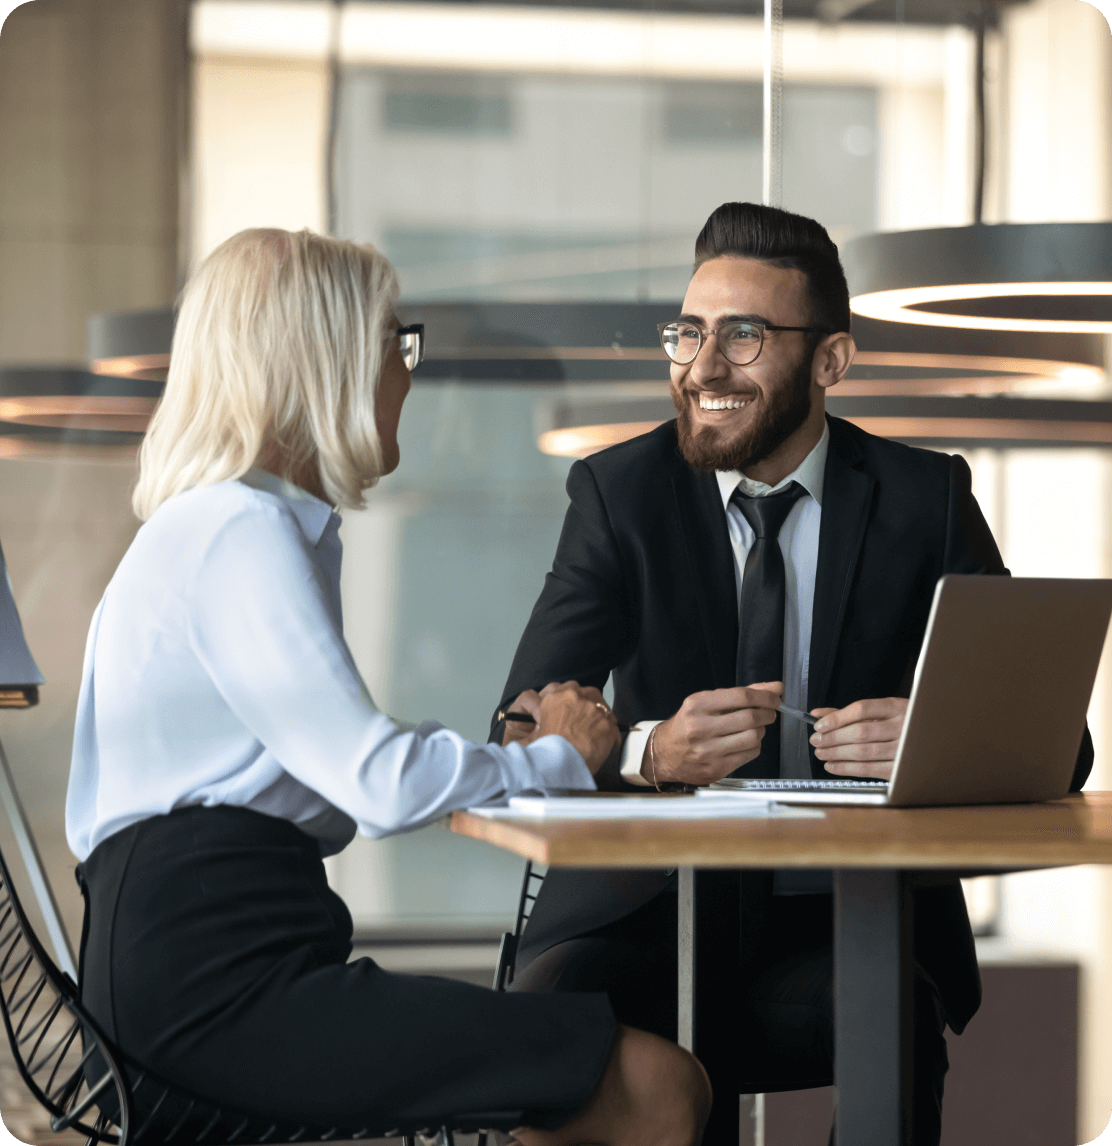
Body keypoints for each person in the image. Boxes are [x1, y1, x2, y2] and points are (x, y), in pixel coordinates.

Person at [65, 227, 711, 1146]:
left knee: (599, 1085)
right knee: (659, 1088)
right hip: (217, 991)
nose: (408, 374)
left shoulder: (212, 529)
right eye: (393, 344)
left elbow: (337, 780)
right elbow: (378, 783)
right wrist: (559, 757)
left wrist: (518, 761)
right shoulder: (239, 530)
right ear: (325, 360)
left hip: (188, 971)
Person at [493, 201, 1094, 1145]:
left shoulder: (925, 497)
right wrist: (651, 749)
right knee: (555, 1027)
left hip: (842, 924)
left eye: (743, 336)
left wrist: (936, 735)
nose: (702, 368)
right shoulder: (621, 493)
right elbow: (518, 725)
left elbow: (1061, 747)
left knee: (889, 1015)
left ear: (830, 362)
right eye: (689, 333)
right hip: (640, 921)